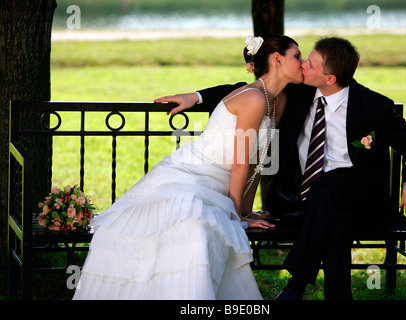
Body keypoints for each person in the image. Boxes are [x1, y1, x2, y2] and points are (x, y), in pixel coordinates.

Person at [155, 36, 406, 300]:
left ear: (330, 79)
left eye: (310, 64)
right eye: (303, 59)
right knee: (336, 216)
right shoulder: (298, 91)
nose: (302, 66)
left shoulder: (373, 106)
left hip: (359, 197)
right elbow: (247, 89)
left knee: (329, 186)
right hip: (306, 203)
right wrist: (196, 97)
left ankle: (296, 283)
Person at [73, 34, 303, 300]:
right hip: (193, 175)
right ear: (277, 59)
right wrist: (236, 216)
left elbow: (255, 162)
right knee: (190, 226)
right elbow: (241, 162)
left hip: (221, 183)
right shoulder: (254, 99)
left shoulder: (279, 100)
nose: (303, 62)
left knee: (207, 228)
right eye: (297, 56)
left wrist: (245, 212)